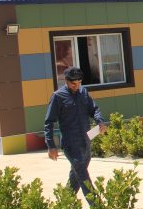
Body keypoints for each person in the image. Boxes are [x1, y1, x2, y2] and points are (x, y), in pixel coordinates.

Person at [44, 67, 106, 203]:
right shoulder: (58, 97)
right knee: (84, 177)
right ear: (66, 81)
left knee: (76, 176)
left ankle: (64, 203)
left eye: (79, 83)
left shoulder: (83, 92)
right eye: (73, 83)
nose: (77, 86)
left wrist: (100, 121)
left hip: (86, 142)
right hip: (71, 145)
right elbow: (48, 122)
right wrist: (51, 146)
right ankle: (97, 205)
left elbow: (94, 109)